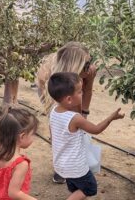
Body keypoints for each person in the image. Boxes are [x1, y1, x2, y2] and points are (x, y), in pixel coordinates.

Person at [48, 72, 124, 200]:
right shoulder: (75, 118)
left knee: (76, 189)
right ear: (69, 99)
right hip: (76, 167)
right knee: (90, 188)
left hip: (61, 163)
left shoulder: (54, 111)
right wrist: (111, 117)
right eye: (79, 92)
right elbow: (96, 129)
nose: (82, 93)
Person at [36, 41, 97, 184]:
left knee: (78, 132)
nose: (90, 67)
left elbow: (87, 91)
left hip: (72, 93)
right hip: (52, 97)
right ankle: (60, 169)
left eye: (90, 62)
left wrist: (83, 114)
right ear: (75, 65)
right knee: (59, 133)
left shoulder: (86, 72)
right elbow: (51, 102)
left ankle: (77, 166)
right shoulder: (51, 76)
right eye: (86, 64)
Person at [0, 108, 39, 200]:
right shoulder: (20, 164)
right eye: (33, 134)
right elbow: (14, 193)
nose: (34, 137)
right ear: (22, 136)